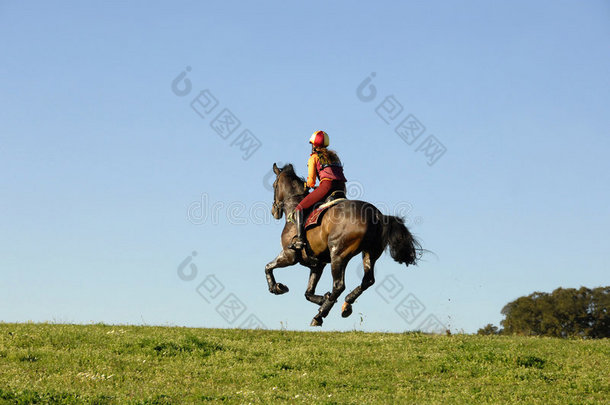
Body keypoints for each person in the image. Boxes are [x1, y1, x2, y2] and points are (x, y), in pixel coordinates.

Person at [289, 130, 347, 250]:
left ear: (314, 145)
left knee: (299, 208)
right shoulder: (334, 157)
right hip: (342, 188)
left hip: (327, 186)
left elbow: (311, 182)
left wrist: (306, 186)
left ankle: (299, 239)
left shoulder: (314, 158)